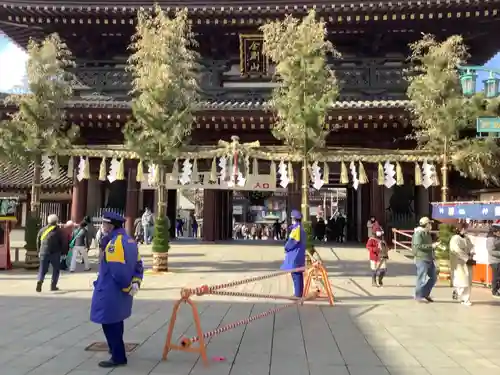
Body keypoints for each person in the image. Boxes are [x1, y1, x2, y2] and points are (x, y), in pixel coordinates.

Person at [90, 211, 144, 368]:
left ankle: (118, 355)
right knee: (116, 320)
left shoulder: (114, 244)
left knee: (109, 323)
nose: (103, 226)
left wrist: (126, 286)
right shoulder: (130, 241)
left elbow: (117, 271)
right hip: (121, 291)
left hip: (111, 290)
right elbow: (139, 264)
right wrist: (135, 283)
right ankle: (115, 349)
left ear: (111, 225)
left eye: (104, 224)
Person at [36, 214, 66, 292]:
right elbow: (63, 242)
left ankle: (40, 281)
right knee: (56, 269)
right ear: (56, 221)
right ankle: (53, 285)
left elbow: (38, 241)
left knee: (42, 269)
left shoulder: (42, 230)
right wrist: (63, 252)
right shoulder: (59, 231)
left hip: (43, 252)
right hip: (55, 252)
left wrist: (39, 250)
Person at [412, 216, 439, 303]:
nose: (431, 225)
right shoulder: (418, 233)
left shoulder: (427, 233)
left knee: (434, 277)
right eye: (429, 223)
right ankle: (418, 295)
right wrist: (431, 246)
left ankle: (425, 293)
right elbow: (418, 246)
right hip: (421, 259)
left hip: (429, 258)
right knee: (422, 278)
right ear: (426, 224)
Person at [281, 209, 306, 298]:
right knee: (299, 274)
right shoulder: (301, 228)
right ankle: (299, 293)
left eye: (292, 218)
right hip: (299, 254)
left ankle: (297, 294)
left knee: (295, 274)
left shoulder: (296, 229)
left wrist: (286, 247)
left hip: (295, 254)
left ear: (294, 219)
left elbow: (293, 241)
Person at [450, 223, 475, 306]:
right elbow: (456, 250)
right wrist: (466, 258)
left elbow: (471, 246)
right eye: (465, 228)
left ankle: (465, 299)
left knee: (468, 281)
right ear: (461, 229)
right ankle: (457, 291)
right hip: (458, 263)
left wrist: (472, 253)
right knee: (462, 281)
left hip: (468, 262)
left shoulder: (467, 238)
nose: (466, 230)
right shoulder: (455, 239)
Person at [486, 223, 500, 297]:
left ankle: (497, 290)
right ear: (495, 231)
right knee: (496, 277)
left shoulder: (496, 237)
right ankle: (494, 291)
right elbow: (491, 251)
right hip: (494, 261)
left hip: (498, 260)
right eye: (498, 230)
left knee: (498, 276)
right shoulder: (490, 239)